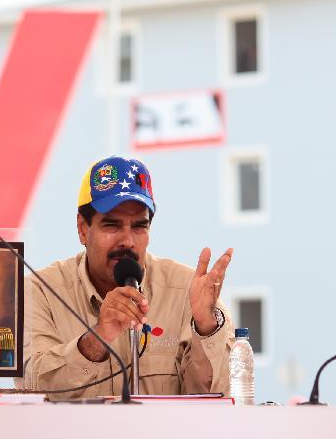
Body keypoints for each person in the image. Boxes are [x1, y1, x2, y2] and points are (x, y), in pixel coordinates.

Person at [17, 155, 234, 398]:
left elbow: (219, 401)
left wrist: (206, 329)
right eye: (112, 225)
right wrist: (97, 338)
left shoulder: (187, 290)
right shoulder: (40, 292)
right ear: (82, 229)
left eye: (139, 226)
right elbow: (33, 387)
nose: (128, 241)